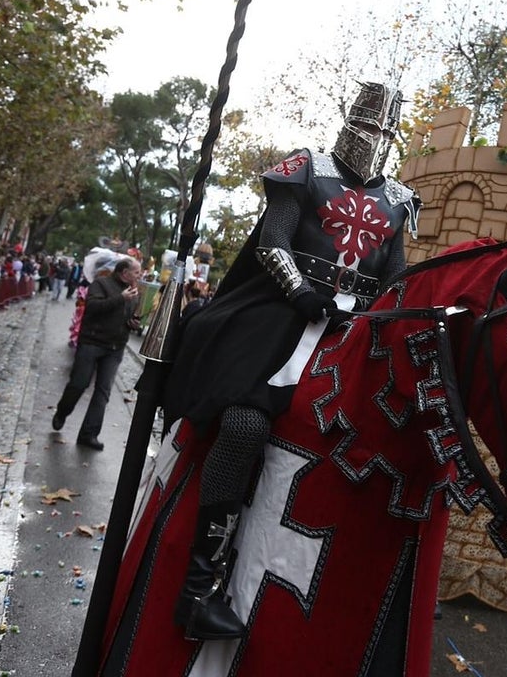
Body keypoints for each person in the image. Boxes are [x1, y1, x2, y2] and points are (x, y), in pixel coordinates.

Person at [160, 82, 421, 641]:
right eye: (368, 128)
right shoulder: (306, 168)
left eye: (385, 132)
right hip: (279, 312)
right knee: (245, 422)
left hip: (351, 332)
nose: (374, 140)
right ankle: (197, 591)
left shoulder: (400, 200)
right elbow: (272, 242)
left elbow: (394, 279)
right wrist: (301, 292)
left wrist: (379, 315)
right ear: (350, 122)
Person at [50, 256, 142, 450]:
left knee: (103, 392)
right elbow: (92, 308)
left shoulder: (135, 292)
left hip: (115, 347)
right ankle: (62, 412)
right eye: (136, 272)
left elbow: (128, 315)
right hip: (92, 342)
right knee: (79, 383)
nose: (139, 276)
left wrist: (132, 322)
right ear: (124, 273)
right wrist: (120, 298)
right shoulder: (102, 284)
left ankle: (89, 434)